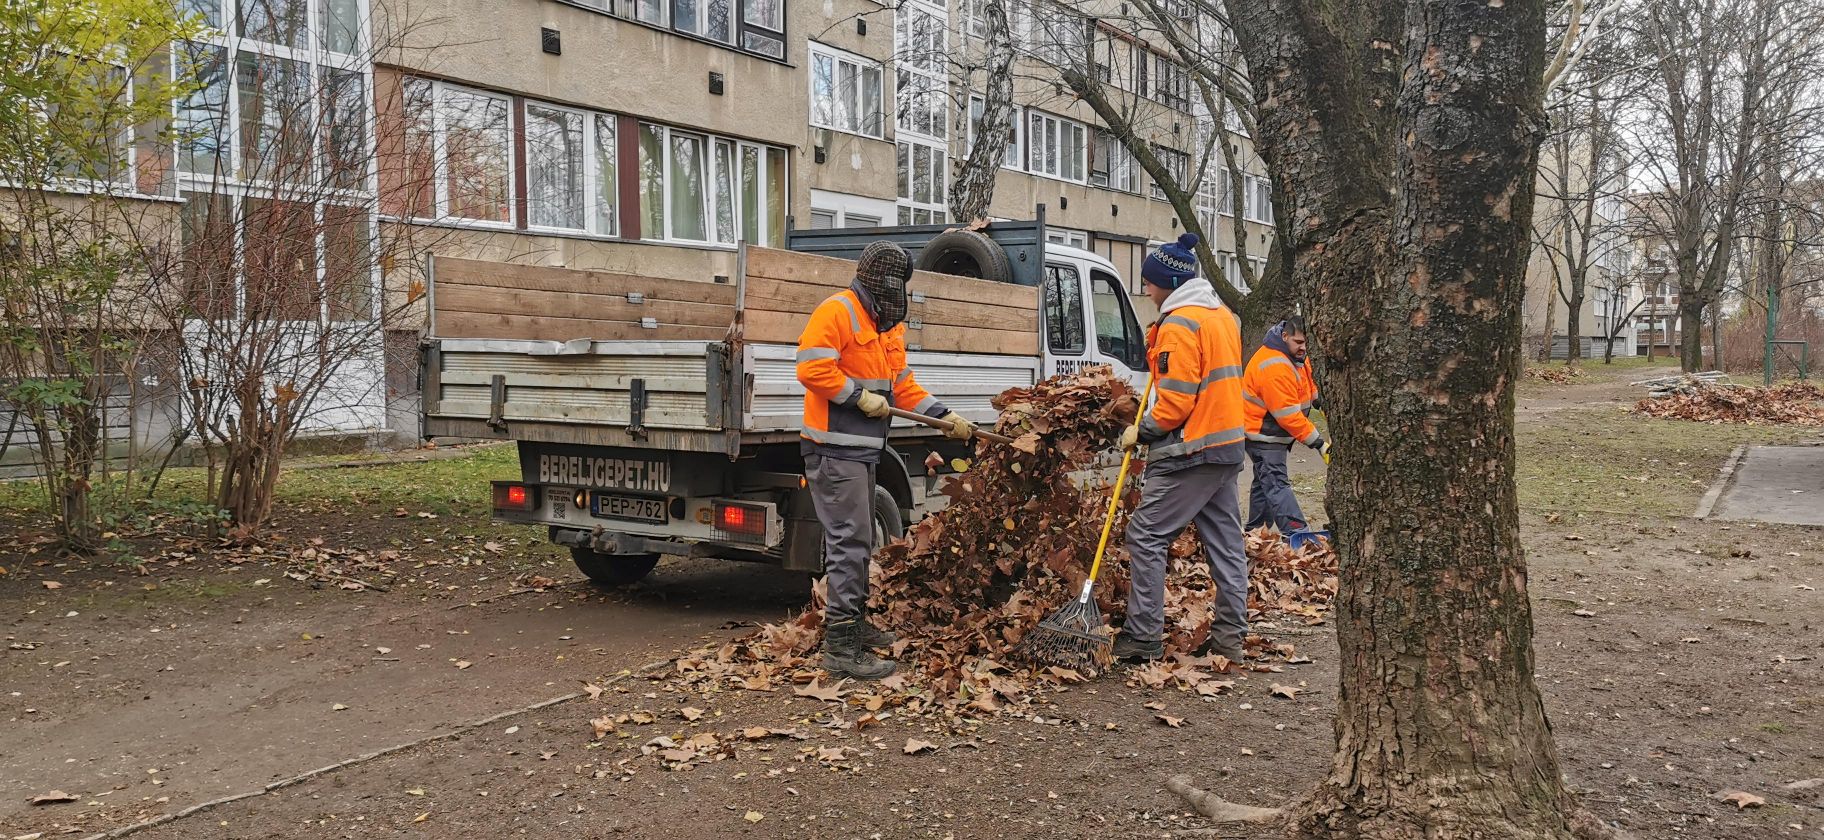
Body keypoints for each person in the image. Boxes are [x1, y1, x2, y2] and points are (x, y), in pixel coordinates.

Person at [796, 240, 975, 680]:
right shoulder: (837, 311)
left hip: (862, 451)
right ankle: (840, 647)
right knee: (849, 544)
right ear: (877, 281)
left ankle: (853, 626)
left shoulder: (886, 325)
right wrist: (858, 398)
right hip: (833, 450)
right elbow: (810, 368)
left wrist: (944, 417)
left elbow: (903, 386)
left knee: (858, 545)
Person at [1113, 233, 1250, 663]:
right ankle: (1230, 638)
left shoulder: (1178, 324)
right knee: (1226, 542)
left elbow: (1174, 403)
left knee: (1146, 534)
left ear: (1167, 282)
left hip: (1193, 449)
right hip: (1227, 444)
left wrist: (1144, 430)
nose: (1146, 290)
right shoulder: (1220, 316)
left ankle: (1143, 635)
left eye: (1149, 283)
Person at [1241, 315, 1326, 535]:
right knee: (1276, 483)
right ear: (1285, 335)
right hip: (1262, 434)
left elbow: (1307, 384)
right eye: (1298, 342)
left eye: (1306, 342)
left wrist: (1319, 400)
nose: (1303, 348)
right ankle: (1298, 532)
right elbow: (1287, 415)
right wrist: (1318, 442)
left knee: (1264, 481)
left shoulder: (1295, 356)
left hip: (1266, 433)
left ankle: (1255, 531)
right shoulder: (1275, 366)